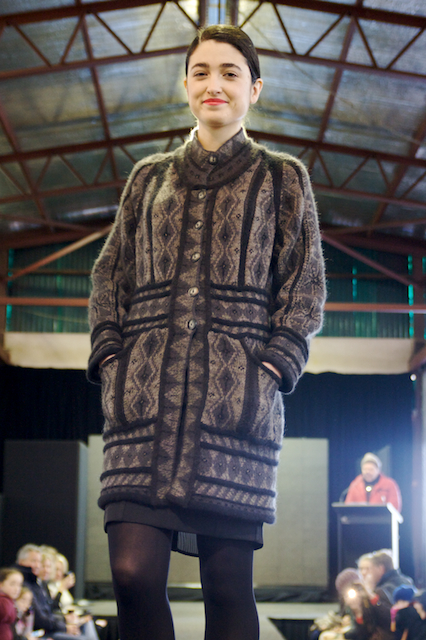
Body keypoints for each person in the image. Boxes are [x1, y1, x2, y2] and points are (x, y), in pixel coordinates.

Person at [88, 23, 326, 640]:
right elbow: (110, 274)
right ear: (186, 85)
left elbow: (305, 283)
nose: (214, 83)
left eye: (229, 72)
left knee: (226, 587)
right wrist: (111, 357)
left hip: (234, 411)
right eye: (201, 72)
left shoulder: (282, 178)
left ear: (255, 89)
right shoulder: (147, 178)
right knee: (132, 575)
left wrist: (272, 366)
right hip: (142, 411)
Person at [0, 569, 23, 640]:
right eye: (12, 584)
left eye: (19, 585)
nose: (17, 589)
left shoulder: (10, 601)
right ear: (1, 584)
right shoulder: (4, 602)